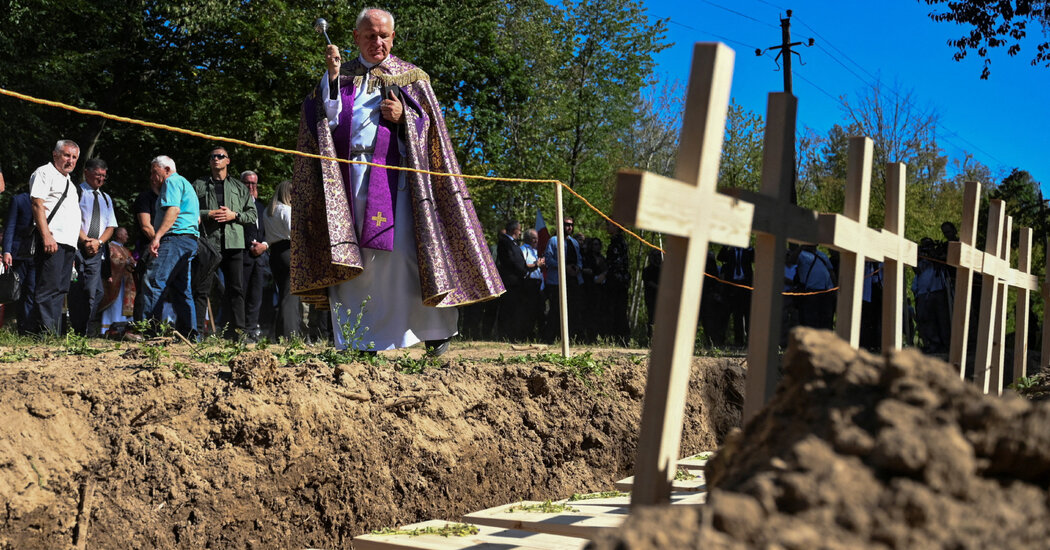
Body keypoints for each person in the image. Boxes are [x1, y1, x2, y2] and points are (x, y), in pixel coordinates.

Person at [290, 7, 503, 354]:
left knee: (409, 257)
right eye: (371, 35)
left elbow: (432, 133)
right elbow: (320, 127)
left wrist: (406, 119)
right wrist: (329, 79)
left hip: (399, 182)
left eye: (384, 35)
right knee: (359, 261)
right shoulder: (341, 79)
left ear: (393, 37)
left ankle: (435, 333)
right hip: (351, 179)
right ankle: (362, 339)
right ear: (356, 37)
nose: (378, 42)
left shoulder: (411, 77)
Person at [193, 146, 256, 339]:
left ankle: (238, 333)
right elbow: (188, 211)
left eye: (220, 156)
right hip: (208, 244)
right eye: (212, 156)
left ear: (228, 161)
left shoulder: (239, 187)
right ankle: (196, 333)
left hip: (234, 244)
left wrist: (234, 215)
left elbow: (252, 214)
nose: (216, 159)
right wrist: (208, 214)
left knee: (236, 289)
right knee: (201, 289)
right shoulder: (198, 185)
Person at [140, 156, 199, 337]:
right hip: (189, 240)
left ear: (166, 169)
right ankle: (190, 334)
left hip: (175, 238)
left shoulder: (171, 181)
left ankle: (150, 332)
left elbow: (173, 210)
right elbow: (196, 218)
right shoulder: (186, 184)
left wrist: (157, 237)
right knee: (181, 289)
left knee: (153, 281)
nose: (152, 176)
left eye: (154, 172)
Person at [28, 140, 82, 335]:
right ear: (55, 155)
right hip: (52, 239)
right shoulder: (44, 172)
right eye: (67, 155)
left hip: (68, 243)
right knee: (48, 288)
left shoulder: (69, 182)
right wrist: (46, 235)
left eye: (74, 157)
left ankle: (53, 333)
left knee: (60, 289)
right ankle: (43, 333)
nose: (71, 160)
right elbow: (37, 204)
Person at [70, 158, 118, 336]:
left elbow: (111, 226)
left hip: (97, 250)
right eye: (97, 175)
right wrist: (86, 240)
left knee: (96, 291)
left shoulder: (106, 198)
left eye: (104, 176)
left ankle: (85, 326)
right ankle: (81, 329)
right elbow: (72, 220)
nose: (100, 179)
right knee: (81, 289)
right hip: (79, 247)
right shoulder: (77, 192)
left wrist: (99, 242)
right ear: (87, 172)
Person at [263, 180, 303, 339]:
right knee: (290, 296)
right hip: (289, 251)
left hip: (275, 254)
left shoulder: (268, 211)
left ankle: (280, 333)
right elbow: (294, 234)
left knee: (283, 295)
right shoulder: (286, 210)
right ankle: (290, 335)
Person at [240, 170, 271, 341]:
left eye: (253, 184)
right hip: (244, 255)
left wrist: (264, 245)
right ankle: (240, 330)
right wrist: (250, 245)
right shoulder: (237, 206)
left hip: (260, 258)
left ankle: (252, 330)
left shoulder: (261, 207)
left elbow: (267, 231)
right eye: (247, 183)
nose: (251, 187)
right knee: (242, 294)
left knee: (256, 296)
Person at [542, 217, 583, 342]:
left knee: (572, 309)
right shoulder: (553, 241)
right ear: (561, 225)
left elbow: (580, 259)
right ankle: (550, 338)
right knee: (555, 309)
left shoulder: (574, 243)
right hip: (557, 281)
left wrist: (577, 268)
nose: (569, 227)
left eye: (571, 225)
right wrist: (564, 267)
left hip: (573, 281)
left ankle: (570, 338)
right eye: (566, 225)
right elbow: (548, 259)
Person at [3, 190, 37, 334]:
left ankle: (30, 328)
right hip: (19, 253)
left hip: (39, 255)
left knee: (33, 290)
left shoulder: (49, 200)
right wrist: (6, 250)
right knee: (19, 291)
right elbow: (10, 226)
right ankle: (22, 328)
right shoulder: (19, 200)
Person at [132, 173, 161, 322]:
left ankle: (157, 326)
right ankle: (140, 326)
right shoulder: (145, 198)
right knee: (145, 288)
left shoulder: (168, 199)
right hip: (148, 249)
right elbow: (145, 226)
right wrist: (158, 241)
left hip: (164, 248)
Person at [99, 227, 138, 338]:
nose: (127, 236)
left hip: (126, 283)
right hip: (115, 283)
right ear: (119, 235)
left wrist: (132, 263)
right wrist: (125, 262)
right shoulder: (110, 247)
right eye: (125, 234)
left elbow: (131, 264)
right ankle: (109, 328)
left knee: (123, 306)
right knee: (115, 306)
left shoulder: (125, 249)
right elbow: (110, 262)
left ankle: (124, 329)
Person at [496, 220, 527, 339]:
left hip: (517, 282)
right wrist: (523, 270)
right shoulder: (505, 242)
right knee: (507, 309)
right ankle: (503, 334)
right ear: (515, 230)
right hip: (509, 281)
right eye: (519, 230)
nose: (520, 233)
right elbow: (511, 260)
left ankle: (513, 334)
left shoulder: (514, 243)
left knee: (515, 309)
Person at [717, 245, 754, 347]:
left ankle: (750, 341)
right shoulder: (730, 252)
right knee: (737, 315)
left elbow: (755, 258)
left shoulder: (747, 252)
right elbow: (720, 257)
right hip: (733, 286)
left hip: (746, 286)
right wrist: (726, 245)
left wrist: (749, 247)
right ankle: (739, 341)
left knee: (748, 315)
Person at [601, 221, 630, 344]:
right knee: (616, 309)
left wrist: (605, 273)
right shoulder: (616, 241)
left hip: (617, 281)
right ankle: (617, 338)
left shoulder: (618, 242)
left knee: (617, 309)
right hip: (618, 280)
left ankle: (621, 338)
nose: (607, 227)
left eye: (609, 224)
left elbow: (617, 263)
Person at [519, 228, 545, 341]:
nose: (536, 241)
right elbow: (523, 265)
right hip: (529, 284)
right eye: (533, 238)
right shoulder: (524, 249)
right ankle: (526, 335)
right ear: (528, 238)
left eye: (537, 238)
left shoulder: (536, 252)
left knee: (540, 311)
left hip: (539, 284)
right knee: (529, 311)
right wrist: (536, 264)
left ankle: (540, 336)